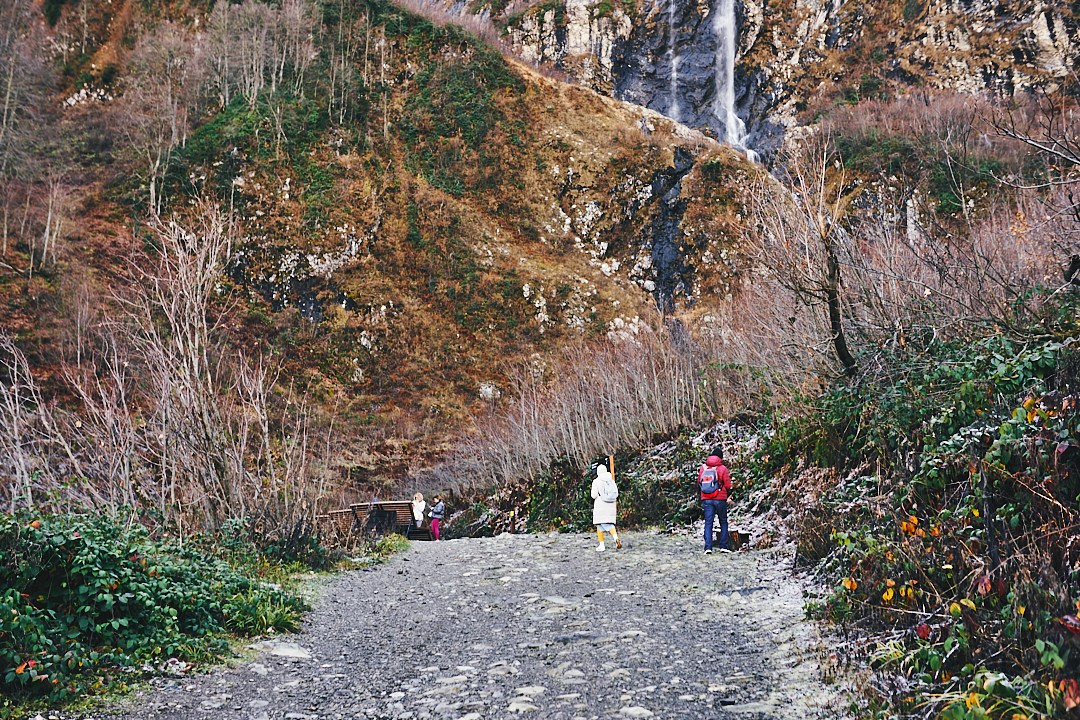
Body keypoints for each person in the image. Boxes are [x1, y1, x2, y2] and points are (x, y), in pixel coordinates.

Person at [698, 448, 733, 554]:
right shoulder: (722, 468)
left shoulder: (703, 468)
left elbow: (699, 482)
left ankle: (708, 548)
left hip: (706, 498)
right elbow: (727, 485)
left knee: (708, 523)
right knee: (723, 521)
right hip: (720, 498)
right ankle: (724, 546)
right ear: (720, 457)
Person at [590, 464, 622, 552]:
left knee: (599, 524)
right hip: (611, 505)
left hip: (601, 505)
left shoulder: (596, 481)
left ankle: (602, 545)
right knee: (609, 524)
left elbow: (594, 495)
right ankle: (616, 538)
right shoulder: (611, 480)